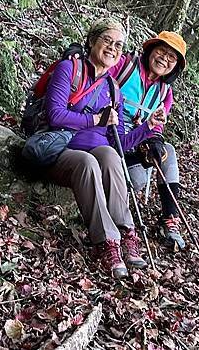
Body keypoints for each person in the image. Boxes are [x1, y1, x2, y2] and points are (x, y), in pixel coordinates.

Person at [44, 18, 165, 279]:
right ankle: (106, 243)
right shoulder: (70, 70)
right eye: (107, 41)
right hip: (58, 150)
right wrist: (94, 120)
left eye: (118, 45)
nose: (112, 48)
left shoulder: (113, 89)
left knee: (109, 154)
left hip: (97, 151)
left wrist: (148, 128)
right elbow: (55, 115)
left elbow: (118, 142)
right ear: (91, 41)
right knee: (87, 163)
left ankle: (125, 232)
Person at [109, 31, 187, 250]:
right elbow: (99, 73)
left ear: (176, 67)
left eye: (172, 58)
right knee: (136, 180)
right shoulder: (125, 66)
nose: (164, 58)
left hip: (137, 142)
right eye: (161, 51)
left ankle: (169, 220)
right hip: (109, 135)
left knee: (167, 151)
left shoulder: (164, 92)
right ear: (150, 50)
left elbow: (158, 124)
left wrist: (155, 140)